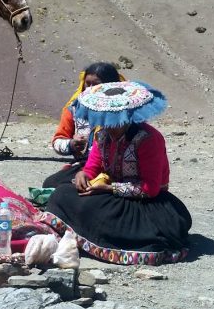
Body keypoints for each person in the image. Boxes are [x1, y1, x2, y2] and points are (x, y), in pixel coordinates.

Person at [39, 81, 192, 265]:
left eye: (110, 116)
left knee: (92, 210)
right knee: (62, 193)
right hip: (112, 194)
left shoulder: (149, 139)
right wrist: (83, 175)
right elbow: (93, 165)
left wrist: (110, 188)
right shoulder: (102, 135)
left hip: (147, 205)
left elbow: (150, 188)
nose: (106, 121)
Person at [41, 62, 124, 192]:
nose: (90, 88)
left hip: (118, 169)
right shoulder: (74, 109)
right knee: (51, 184)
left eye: (96, 84)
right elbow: (57, 141)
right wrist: (71, 144)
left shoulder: (124, 110)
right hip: (85, 166)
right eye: (87, 83)